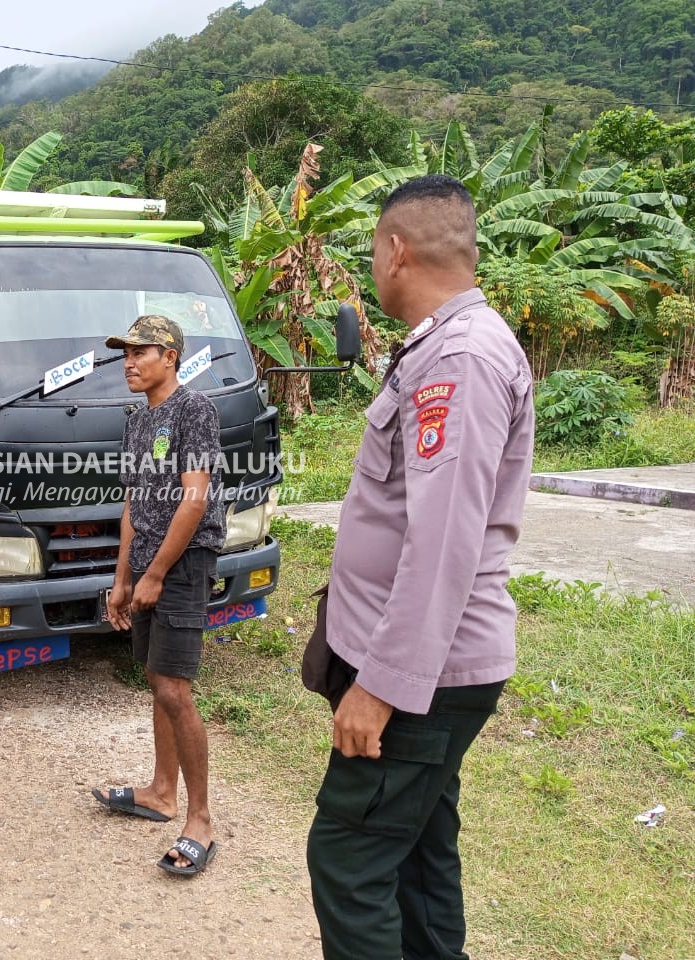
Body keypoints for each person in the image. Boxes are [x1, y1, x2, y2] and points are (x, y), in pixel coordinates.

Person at [302, 174, 535, 959]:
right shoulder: (447, 345)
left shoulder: (459, 358)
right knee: (420, 861)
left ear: (396, 249)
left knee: (349, 858)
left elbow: (443, 542)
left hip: (422, 680)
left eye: (373, 251)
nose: (372, 267)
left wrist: (381, 686)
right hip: (437, 672)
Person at [92, 314, 226, 876]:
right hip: (147, 562)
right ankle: (160, 792)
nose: (129, 361)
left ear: (170, 357)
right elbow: (132, 506)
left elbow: (193, 501)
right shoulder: (136, 422)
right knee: (155, 676)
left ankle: (200, 820)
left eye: (140, 352)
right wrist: (123, 578)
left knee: (174, 686)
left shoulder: (194, 411)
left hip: (184, 562)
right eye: (124, 353)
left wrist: (156, 575)